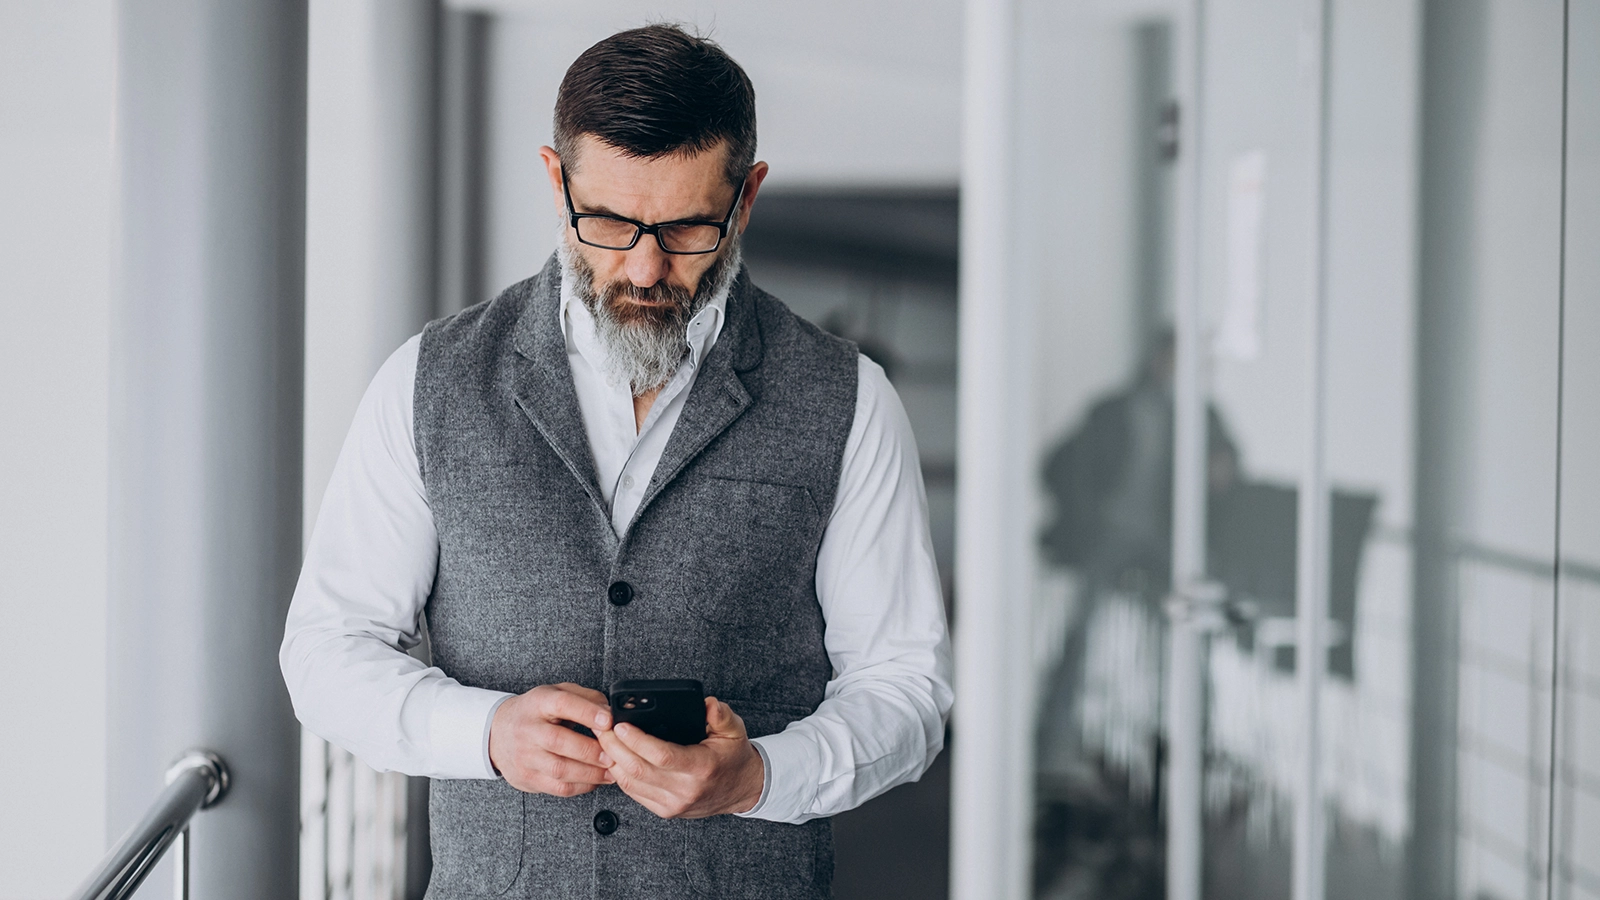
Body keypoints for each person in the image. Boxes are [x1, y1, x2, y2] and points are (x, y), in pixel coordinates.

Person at [279, 24, 952, 900]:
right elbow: (328, 651)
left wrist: (760, 777)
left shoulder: (848, 399)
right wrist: (483, 732)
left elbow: (906, 687)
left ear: (745, 199)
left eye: (685, 229)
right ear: (558, 181)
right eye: (606, 222)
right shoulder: (428, 381)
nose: (643, 266)